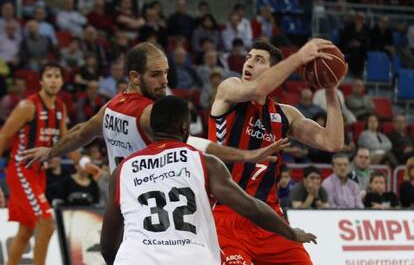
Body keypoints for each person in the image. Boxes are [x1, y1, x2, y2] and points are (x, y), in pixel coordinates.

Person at [100, 95, 316, 265]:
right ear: (185, 128)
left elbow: (108, 245)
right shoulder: (204, 162)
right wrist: (289, 232)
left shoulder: (123, 170)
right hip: (192, 257)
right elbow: (251, 208)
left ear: (153, 126)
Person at [23, 42, 286, 176]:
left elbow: (82, 132)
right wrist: (247, 156)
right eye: (156, 75)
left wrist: (51, 150)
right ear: (135, 77)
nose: (165, 81)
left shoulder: (112, 107)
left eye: (166, 73)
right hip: (152, 214)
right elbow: (195, 143)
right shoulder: (149, 113)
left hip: (123, 203)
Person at [208, 39, 343, 264]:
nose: (249, 63)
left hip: (269, 217)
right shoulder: (229, 90)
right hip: (227, 214)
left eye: (259, 60)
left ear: (274, 71)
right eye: (248, 58)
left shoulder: (285, 115)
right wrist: (300, 57)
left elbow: (333, 142)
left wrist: (330, 88)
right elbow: (258, 88)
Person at [0, 63, 68, 265]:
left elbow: (66, 141)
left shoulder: (60, 107)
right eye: (49, 75)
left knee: (26, 231)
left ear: (62, 81)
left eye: (57, 76)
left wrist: (83, 162)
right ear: (41, 80)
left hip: (39, 174)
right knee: (47, 225)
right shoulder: (27, 107)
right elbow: (3, 137)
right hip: (21, 171)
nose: (53, 79)